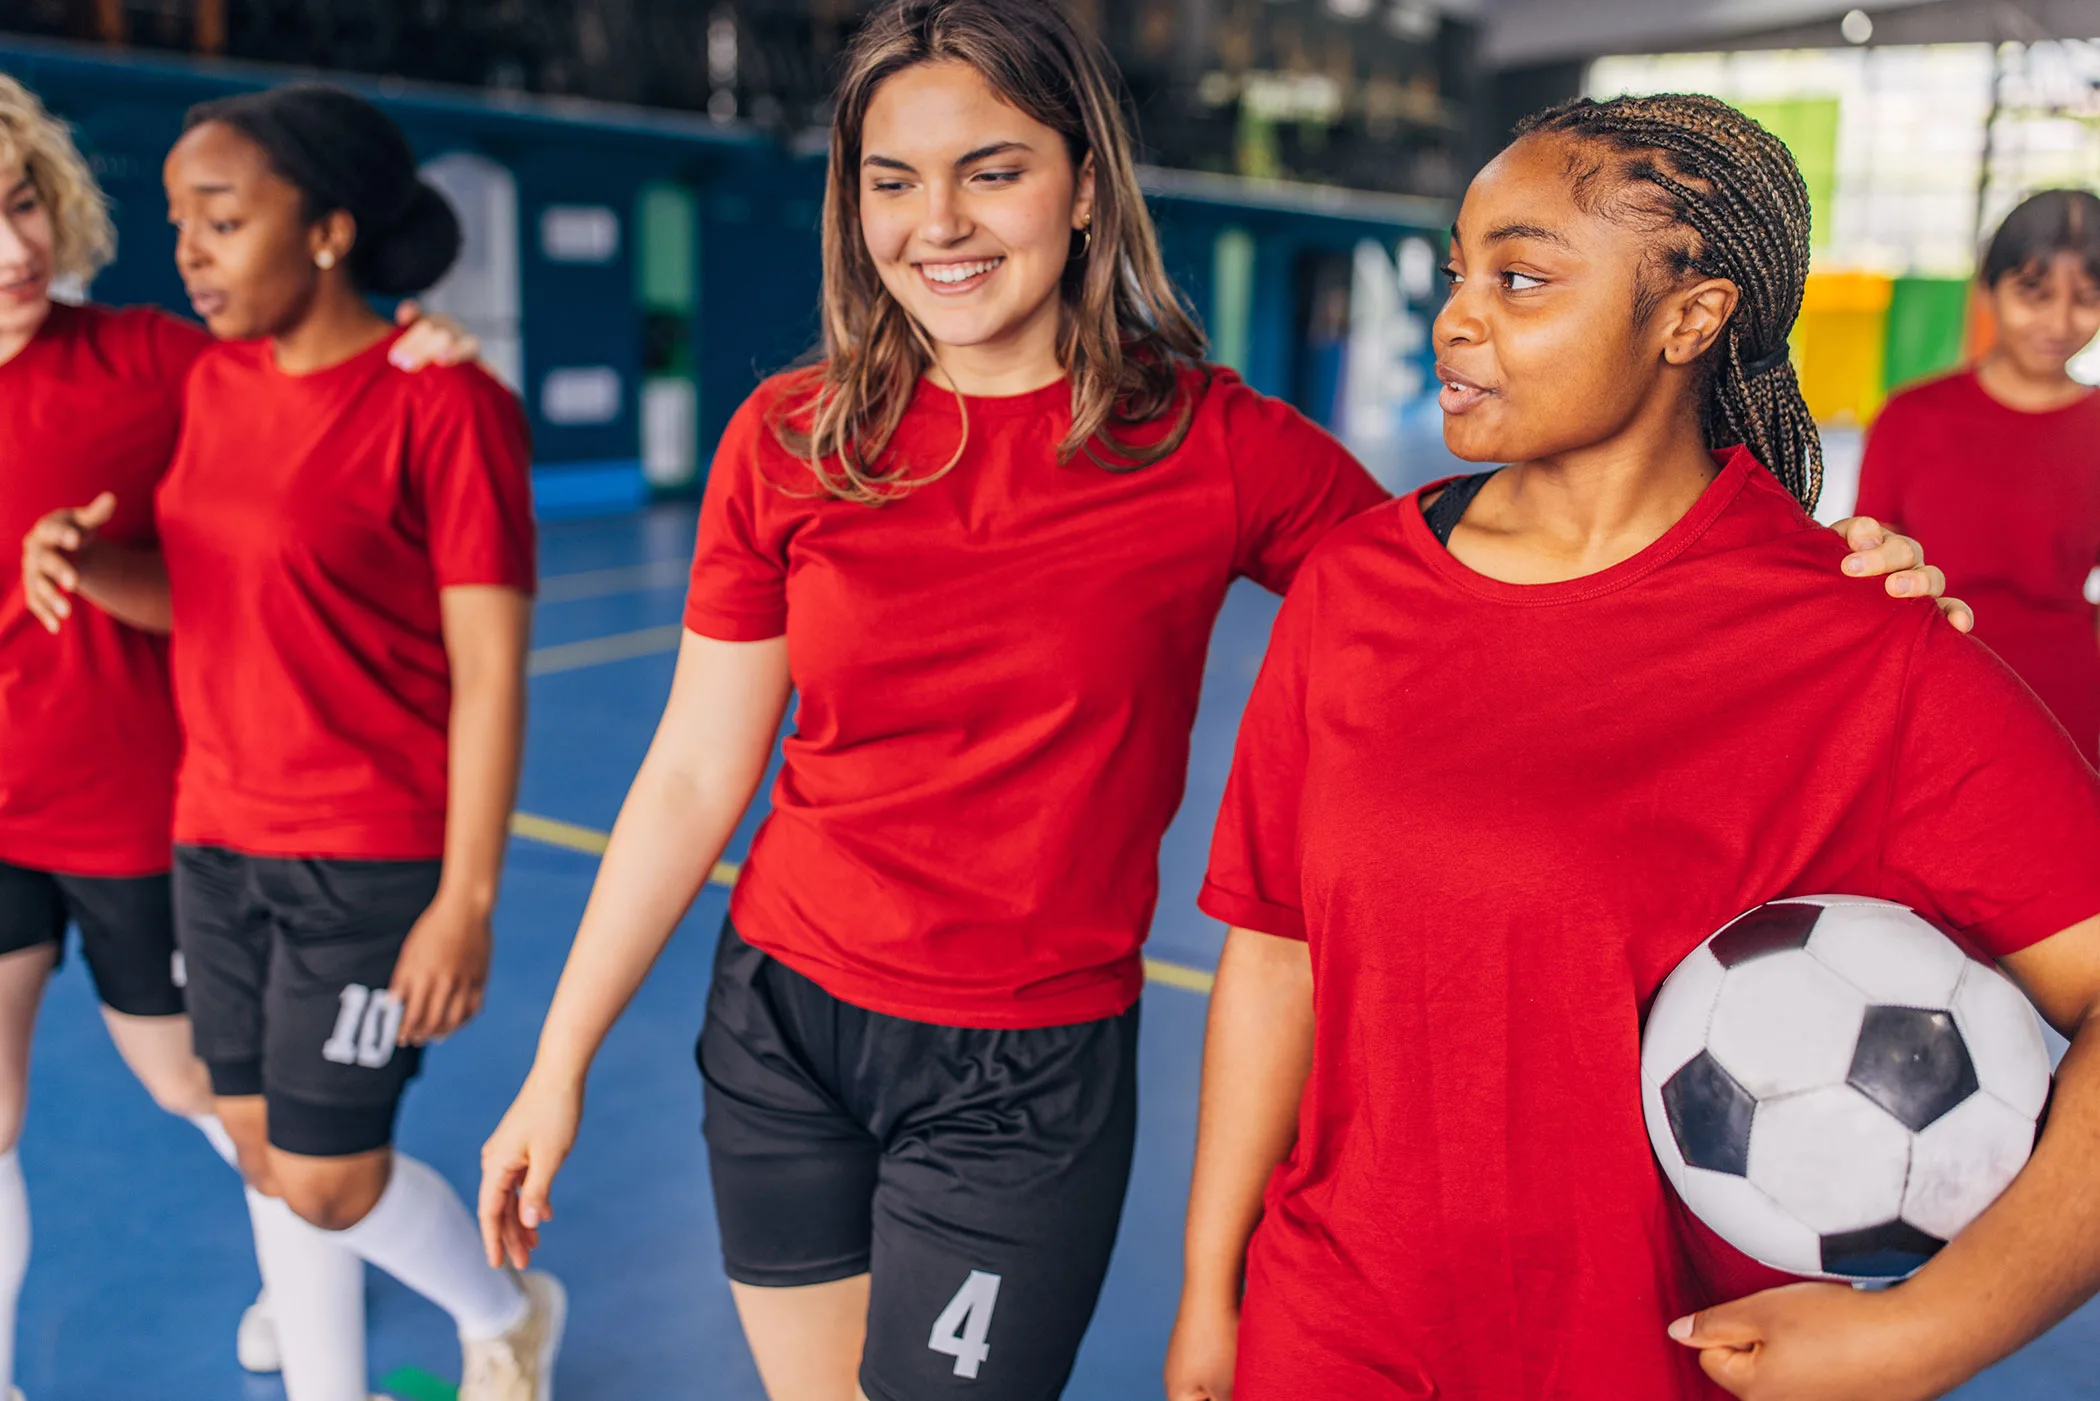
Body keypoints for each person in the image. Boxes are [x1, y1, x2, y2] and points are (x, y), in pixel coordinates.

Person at [473, 7, 1952, 1401]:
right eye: (892, 181)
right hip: (782, 1025)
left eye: (992, 173)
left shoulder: (1210, 447)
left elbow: (1495, 581)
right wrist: (558, 1064)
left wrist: (1810, 575)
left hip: (1026, 1068)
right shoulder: (790, 438)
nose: (938, 224)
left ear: (1084, 194)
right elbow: (689, 771)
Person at [1170, 93, 2100, 1401]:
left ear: (1690, 316)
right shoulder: (1356, 586)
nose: (1456, 315)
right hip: (1329, 1332)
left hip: (1632, 1362)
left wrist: (1930, 1329)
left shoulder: (1851, 643)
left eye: (1522, 275)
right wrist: (1213, 1299)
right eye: (1456, 272)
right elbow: (1276, 952)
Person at [21, 84, 559, 1401]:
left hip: (366, 854)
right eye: (179, 224)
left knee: (328, 1179)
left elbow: (490, 670)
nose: (188, 253)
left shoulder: (443, 406)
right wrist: (91, 566)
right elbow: (199, 595)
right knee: (266, 1157)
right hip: (213, 838)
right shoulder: (219, 390)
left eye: (220, 220)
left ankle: (510, 1306)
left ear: (324, 231)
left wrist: (466, 901)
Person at [1856, 189, 2100, 766]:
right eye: (2033, 295)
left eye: (2087, 300)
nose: (2059, 322)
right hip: (1932, 693)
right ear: (1987, 288)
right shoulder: (1911, 417)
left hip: (2073, 710)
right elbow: (1871, 572)